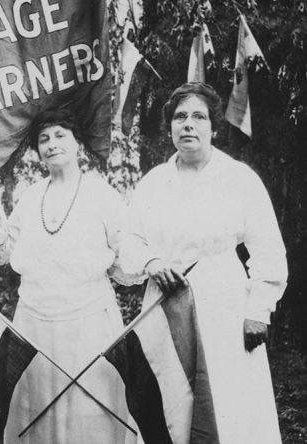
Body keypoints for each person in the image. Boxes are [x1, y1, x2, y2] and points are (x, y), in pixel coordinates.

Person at [120, 82, 288, 444]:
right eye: (180, 117)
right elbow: (129, 241)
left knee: (229, 405)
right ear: (170, 128)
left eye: (198, 116)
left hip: (224, 305)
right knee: (173, 404)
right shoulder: (153, 183)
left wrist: (259, 310)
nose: (188, 125)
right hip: (165, 307)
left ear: (214, 127)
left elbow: (268, 250)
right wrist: (151, 261)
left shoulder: (239, 178)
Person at [0, 107, 137, 443]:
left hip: (89, 322)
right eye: (44, 139)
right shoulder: (29, 197)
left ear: (77, 143)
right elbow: (5, 252)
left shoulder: (101, 193)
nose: (52, 144)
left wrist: (144, 264)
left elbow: (126, 250)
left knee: (91, 403)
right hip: (34, 323)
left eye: (60, 136)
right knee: (37, 406)